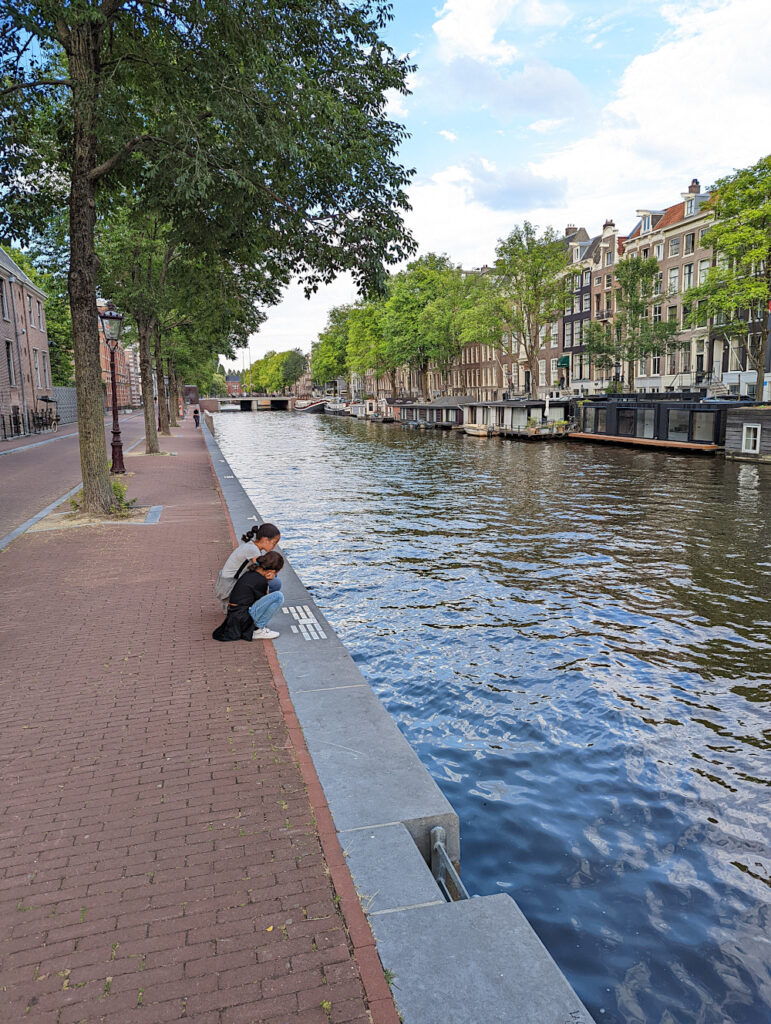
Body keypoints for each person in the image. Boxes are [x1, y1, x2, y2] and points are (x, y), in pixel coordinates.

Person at [212, 551, 284, 642]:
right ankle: (257, 629)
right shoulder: (260, 580)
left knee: (273, 596)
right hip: (242, 618)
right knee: (278, 596)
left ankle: (256, 628)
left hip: (236, 615)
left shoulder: (252, 572)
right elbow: (264, 602)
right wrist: (267, 581)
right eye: (276, 573)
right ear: (271, 571)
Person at [214, 523, 281, 610]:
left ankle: (235, 604)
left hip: (225, 585)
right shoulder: (253, 551)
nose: (274, 547)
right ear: (265, 540)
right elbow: (261, 573)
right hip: (228, 588)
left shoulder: (251, 545)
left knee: (272, 576)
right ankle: (251, 608)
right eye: (274, 543)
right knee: (275, 583)